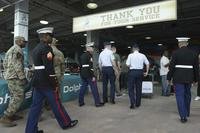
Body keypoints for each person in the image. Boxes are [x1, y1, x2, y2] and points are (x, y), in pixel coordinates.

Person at [25, 27, 78, 133]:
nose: (51, 38)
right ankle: (66, 123)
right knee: (57, 104)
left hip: (37, 81)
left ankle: (30, 130)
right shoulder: (46, 49)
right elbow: (49, 68)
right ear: (45, 36)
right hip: (46, 83)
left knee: (35, 107)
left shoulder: (36, 48)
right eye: (50, 36)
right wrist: (55, 83)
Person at [167, 37, 199, 123]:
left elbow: (171, 67)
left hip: (178, 78)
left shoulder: (175, 53)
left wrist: (169, 78)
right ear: (187, 43)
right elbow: (196, 68)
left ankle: (183, 116)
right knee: (187, 95)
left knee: (180, 96)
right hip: (189, 78)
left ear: (179, 44)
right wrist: (196, 79)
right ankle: (187, 112)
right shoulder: (194, 53)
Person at [0, 36, 28, 127]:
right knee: (18, 96)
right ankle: (6, 116)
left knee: (13, 96)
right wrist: (23, 77)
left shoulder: (10, 50)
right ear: (19, 41)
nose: (25, 43)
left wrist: (8, 72)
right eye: (24, 41)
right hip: (15, 78)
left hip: (10, 76)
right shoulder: (17, 50)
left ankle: (11, 114)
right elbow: (17, 65)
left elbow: (4, 63)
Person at [79, 42, 104, 107]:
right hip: (89, 75)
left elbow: (80, 66)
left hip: (83, 74)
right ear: (88, 48)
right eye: (92, 47)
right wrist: (93, 76)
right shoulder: (89, 55)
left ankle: (80, 102)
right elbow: (90, 67)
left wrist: (81, 74)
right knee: (94, 88)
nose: (93, 49)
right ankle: (97, 103)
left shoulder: (82, 55)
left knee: (83, 88)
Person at [126, 44, 149, 109]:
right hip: (140, 72)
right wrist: (146, 72)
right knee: (139, 88)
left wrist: (132, 66)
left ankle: (132, 103)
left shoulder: (130, 55)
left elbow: (127, 64)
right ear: (138, 49)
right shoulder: (142, 55)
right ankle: (138, 103)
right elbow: (147, 63)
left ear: (133, 49)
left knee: (131, 88)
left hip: (132, 72)